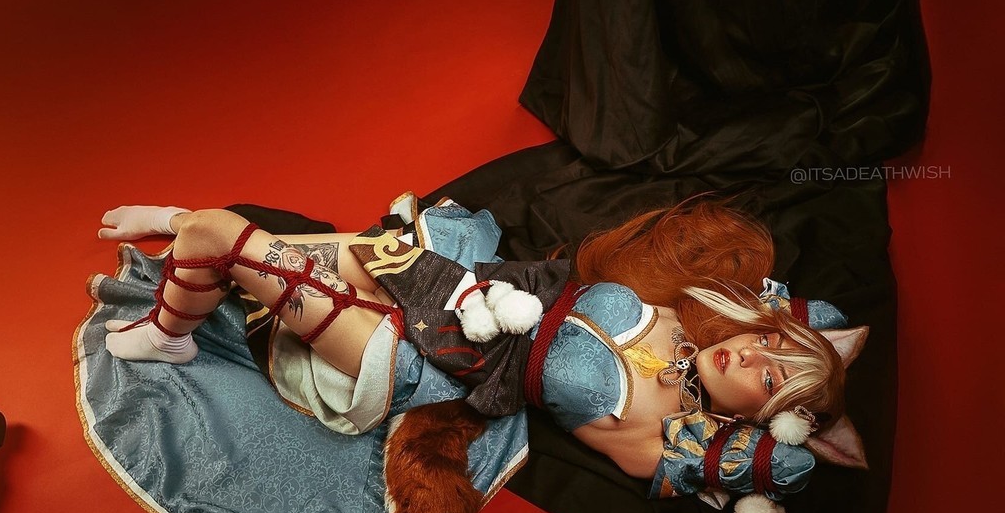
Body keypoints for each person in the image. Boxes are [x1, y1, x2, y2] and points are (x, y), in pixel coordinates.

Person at [97, 199, 847, 482]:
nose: (754, 355)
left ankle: (170, 328)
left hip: (416, 361)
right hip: (452, 286)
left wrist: (773, 454)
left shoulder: (658, 437)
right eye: (771, 345)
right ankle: (182, 231)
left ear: (759, 420)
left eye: (770, 379)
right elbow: (795, 306)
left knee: (216, 235)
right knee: (327, 247)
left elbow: (767, 469)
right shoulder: (684, 315)